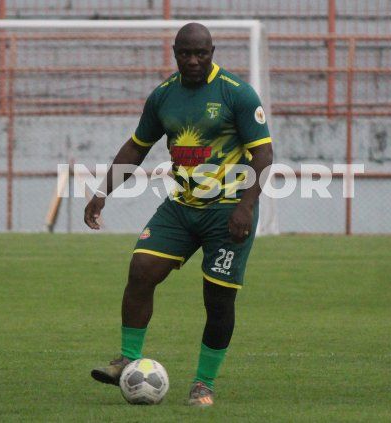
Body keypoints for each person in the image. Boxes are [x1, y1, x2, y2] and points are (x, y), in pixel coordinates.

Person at [84, 23, 273, 406]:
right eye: (185, 53)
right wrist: (102, 192)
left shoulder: (236, 94)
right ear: (174, 52)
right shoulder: (164, 96)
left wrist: (246, 206)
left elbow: (264, 155)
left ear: (212, 52)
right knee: (141, 269)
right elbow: (137, 147)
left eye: (200, 53)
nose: (192, 60)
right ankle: (128, 359)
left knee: (217, 300)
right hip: (181, 207)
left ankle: (203, 383)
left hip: (228, 212)